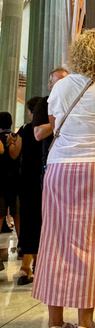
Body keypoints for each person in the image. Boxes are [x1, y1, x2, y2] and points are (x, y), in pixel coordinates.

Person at [33, 30, 95, 328]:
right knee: (93, 242)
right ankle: (85, 327)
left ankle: (56, 326)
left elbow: (56, 124)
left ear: (76, 55)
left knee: (55, 241)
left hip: (59, 167)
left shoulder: (59, 86)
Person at [14, 97, 43, 285]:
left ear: (31, 112)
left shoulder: (25, 130)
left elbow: (15, 154)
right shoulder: (49, 130)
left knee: (27, 222)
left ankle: (26, 267)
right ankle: (39, 266)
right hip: (44, 179)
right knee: (41, 222)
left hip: (26, 180)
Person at [33, 67, 69, 167]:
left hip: (72, 156)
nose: (62, 86)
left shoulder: (76, 103)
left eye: (65, 83)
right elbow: (38, 134)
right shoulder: (44, 103)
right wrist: (62, 119)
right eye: (59, 83)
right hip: (52, 158)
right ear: (51, 85)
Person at [0, 111, 20, 265]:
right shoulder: (17, 137)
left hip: (0, 181)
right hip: (15, 180)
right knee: (17, 214)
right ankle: (21, 245)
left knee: (0, 215)